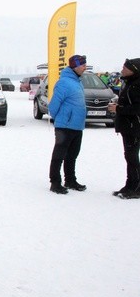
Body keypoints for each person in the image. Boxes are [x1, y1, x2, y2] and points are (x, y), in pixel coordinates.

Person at [48, 54, 88, 194]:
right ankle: (55, 182)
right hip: (65, 126)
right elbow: (53, 106)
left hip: (77, 126)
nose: (85, 67)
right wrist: (60, 119)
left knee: (72, 155)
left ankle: (70, 180)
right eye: (83, 65)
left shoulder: (78, 81)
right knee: (59, 155)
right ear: (75, 66)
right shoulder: (64, 82)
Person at [108, 58, 140, 199]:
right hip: (127, 126)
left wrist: (119, 108)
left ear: (133, 70)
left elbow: (137, 108)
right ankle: (130, 184)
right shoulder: (129, 82)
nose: (122, 70)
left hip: (134, 126)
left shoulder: (137, 84)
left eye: (125, 68)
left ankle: (137, 188)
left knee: (132, 157)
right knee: (129, 156)